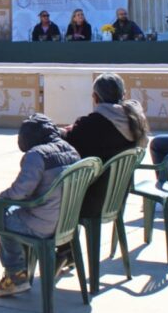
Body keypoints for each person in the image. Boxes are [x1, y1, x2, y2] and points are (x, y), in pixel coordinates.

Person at [0, 113, 80, 304]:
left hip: (40, 225)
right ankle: (15, 275)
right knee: (7, 213)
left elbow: (19, 192)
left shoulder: (37, 155)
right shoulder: (72, 151)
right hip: (66, 224)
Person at [61, 74, 149, 219]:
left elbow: (66, 143)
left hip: (90, 201)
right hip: (117, 199)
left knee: (48, 200)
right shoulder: (135, 122)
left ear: (95, 97)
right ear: (124, 95)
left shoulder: (90, 125)